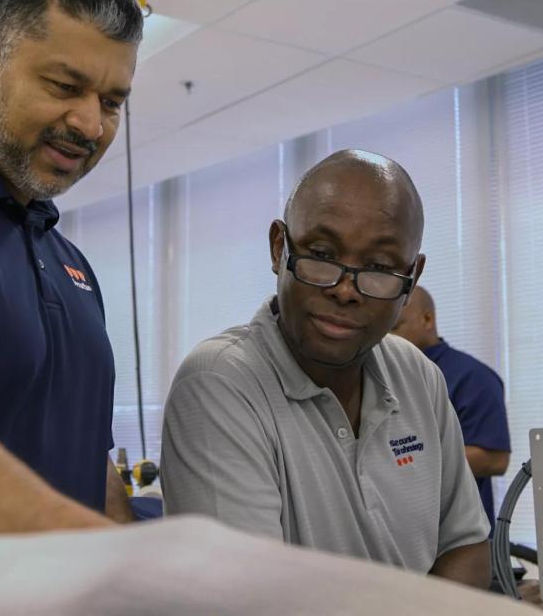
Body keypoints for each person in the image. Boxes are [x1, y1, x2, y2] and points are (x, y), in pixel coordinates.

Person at [161, 149, 491, 588]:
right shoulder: (220, 383)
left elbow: (465, 546)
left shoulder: (418, 376)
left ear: (412, 278)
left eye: (378, 267)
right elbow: (248, 598)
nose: (345, 290)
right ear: (279, 248)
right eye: (321, 252)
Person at [0, 0, 142, 534]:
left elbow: (87, 456)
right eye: (66, 86)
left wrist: (123, 559)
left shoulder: (71, 264)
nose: (91, 126)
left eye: (112, 103)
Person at [391, 286, 511, 533]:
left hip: (453, 533)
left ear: (428, 319)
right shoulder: (375, 373)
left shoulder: (472, 377)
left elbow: (493, 458)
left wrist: (402, 462)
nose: (387, 338)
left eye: (395, 327)